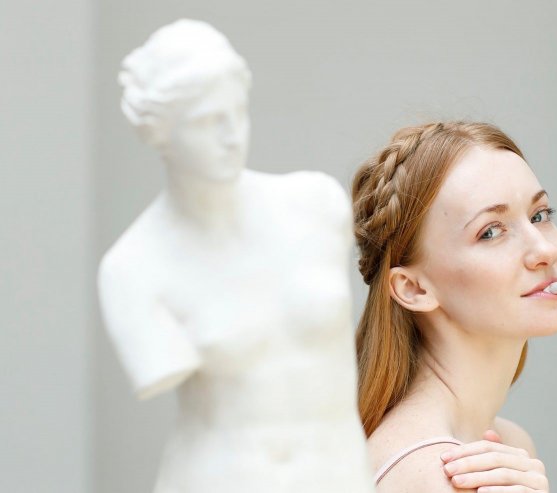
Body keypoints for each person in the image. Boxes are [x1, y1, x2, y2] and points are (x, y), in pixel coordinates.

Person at [98, 19, 373, 492]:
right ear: (160, 133)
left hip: (339, 475)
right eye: (207, 121)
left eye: (238, 113)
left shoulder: (316, 206)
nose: (231, 136)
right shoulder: (134, 267)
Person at [351, 121, 557, 492]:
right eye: (491, 231)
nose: (545, 250)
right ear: (413, 288)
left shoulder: (508, 447)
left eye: (540, 215)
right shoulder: (445, 475)